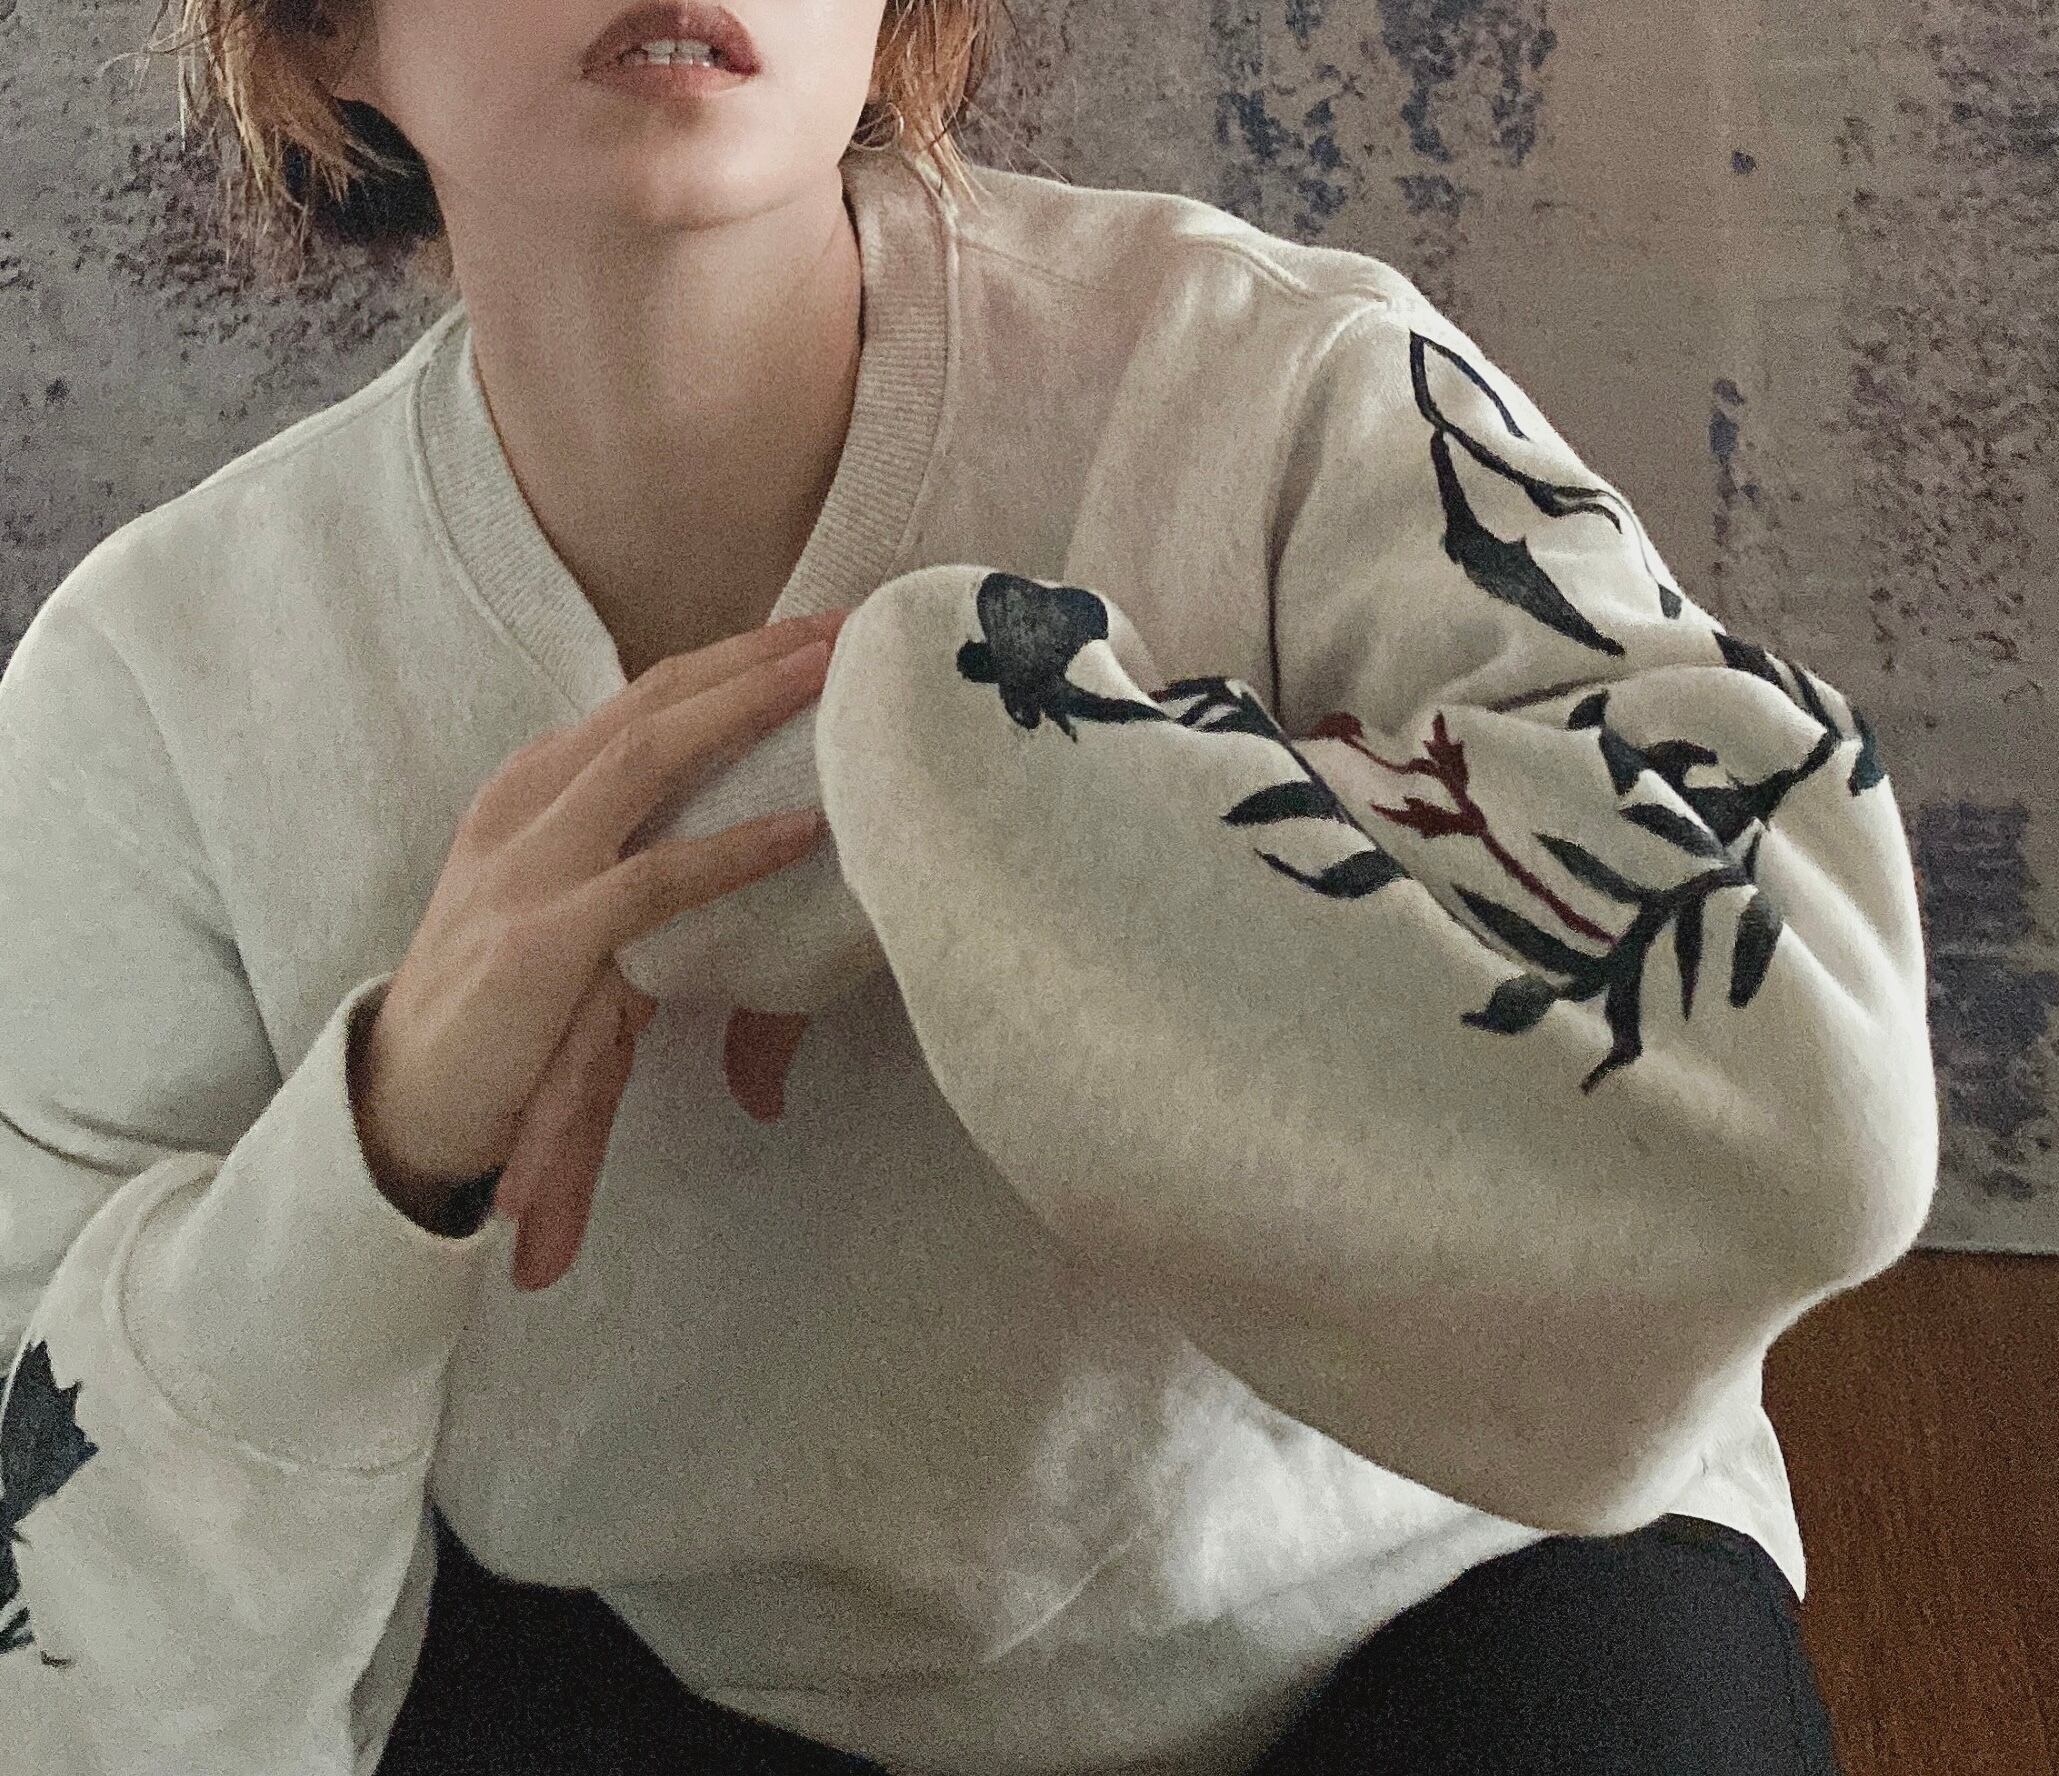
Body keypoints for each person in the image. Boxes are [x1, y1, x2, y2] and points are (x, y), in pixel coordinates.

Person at [0, 0, 1936, 1770]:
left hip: (1432, 1605)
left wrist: (991, 800)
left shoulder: (1284, 383)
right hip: (687, 1679)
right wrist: (389, 1140)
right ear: (321, 39)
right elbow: (61, 1626)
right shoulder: (160, 686)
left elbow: (1805, 1066)